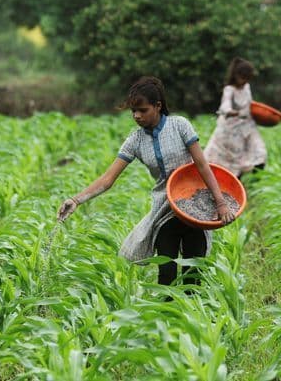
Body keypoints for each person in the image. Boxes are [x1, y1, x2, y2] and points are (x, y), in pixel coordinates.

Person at [57, 76, 234, 286]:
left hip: (194, 207)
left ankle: (190, 314)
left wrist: (221, 203)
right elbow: (108, 179)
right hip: (165, 209)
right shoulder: (135, 140)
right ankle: (165, 315)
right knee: (166, 273)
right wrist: (76, 200)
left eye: (142, 110)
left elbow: (203, 165)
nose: (136, 116)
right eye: (133, 111)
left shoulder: (180, 126)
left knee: (192, 274)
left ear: (157, 106)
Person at [204, 57, 267, 177]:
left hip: (247, 126)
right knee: (230, 159)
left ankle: (250, 174)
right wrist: (230, 111)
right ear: (236, 75)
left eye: (247, 78)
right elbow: (225, 105)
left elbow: (250, 103)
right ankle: (233, 181)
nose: (244, 81)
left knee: (259, 150)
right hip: (230, 130)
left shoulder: (247, 87)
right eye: (242, 78)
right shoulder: (229, 89)